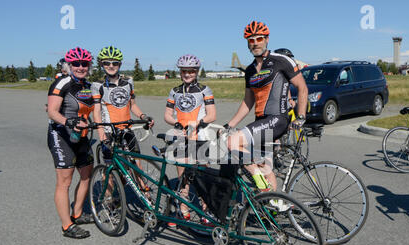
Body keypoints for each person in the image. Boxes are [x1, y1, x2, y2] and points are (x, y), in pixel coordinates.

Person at [222, 21, 308, 192]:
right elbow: (248, 102)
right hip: (261, 121)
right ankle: (275, 206)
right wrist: (229, 124)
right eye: (251, 40)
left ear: (267, 39)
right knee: (266, 169)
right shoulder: (250, 71)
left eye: (259, 38)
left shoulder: (281, 60)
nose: (255, 43)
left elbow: (302, 87)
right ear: (247, 43)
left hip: (277, 119)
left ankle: (261, 185)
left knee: (232, 142)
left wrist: (300, 117)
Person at [47, 47, 95, 239]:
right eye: (76, 64)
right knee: (64, 181)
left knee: (86, 175)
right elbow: (51, 111)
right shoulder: (61, 83)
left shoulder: (88, 85)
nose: (81, 67)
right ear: (69, 65)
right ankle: (67, 225)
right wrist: (69, 122)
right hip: (62, 135)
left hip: (82, 136)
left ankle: (77, 213)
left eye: (84, 64)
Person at [164, 54, 217, 226]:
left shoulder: (204, 90)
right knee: (182, 176)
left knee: (203, 175)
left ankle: (207, 212)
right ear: (180, 71)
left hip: (200, 136)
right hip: (182, 137)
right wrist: (178, 124)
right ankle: (183, 211)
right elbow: (167, 115)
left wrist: (197, 125)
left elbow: (212, 115)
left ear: (196, 71)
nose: (187, 74)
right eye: (184, 71)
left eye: (191, 71)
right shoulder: (175, 91)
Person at [91, 46, 154, 183]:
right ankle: (109, 201)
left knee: (137, 165)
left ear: (120, 64)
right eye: (107, 63)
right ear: (102, 64)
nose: (111, 66)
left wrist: (143, 117)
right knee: (110, 172)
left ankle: (146, 195)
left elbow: (133, 105)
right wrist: (101, 134)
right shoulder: (97, 85)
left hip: (126, 129)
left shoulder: (128, 82)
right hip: (109, 131)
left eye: (115, 63)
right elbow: (96, 111)